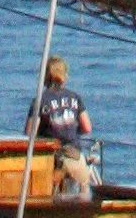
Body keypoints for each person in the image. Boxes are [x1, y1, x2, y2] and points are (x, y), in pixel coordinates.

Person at [28, 54, 93, 195]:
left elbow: (29, 133)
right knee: (83, 196)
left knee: (46, 197)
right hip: (75, 157)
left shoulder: (40, 100)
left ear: (46, 76)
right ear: (64, 75)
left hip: (51, 160)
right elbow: (87, 128)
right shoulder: (75, 97)